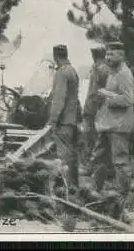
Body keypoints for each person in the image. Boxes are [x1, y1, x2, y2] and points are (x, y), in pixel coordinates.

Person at [89, 41, 134, 197]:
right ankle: (95, 190)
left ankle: (122, 195)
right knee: (98, 157)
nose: (108, 57)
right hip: (107, 124)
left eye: (112, 54)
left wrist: (107, 96)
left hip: (119, 126)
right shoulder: (111, 72)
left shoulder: (124, 74)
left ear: (121, 56)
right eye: (107, 54)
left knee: (120, 161)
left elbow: (128, 100)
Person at [46, 44, 82, 190]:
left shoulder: (61, 72)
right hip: (72, 119)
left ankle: (65, 189)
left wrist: (52, 120)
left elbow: (59, 99)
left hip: (63, 121)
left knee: (63, 155)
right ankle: (74, 186)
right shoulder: (72, 71)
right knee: (72, 154)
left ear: (55, 57)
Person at [80, 46, 110, 175]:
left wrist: (96, 107)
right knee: (92, 138)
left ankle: (90, 167)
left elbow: (98, 92)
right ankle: (95, 167)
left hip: (94, 109)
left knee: (92, 139)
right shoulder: (98, 68)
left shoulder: (101, 69)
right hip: (93, 108)